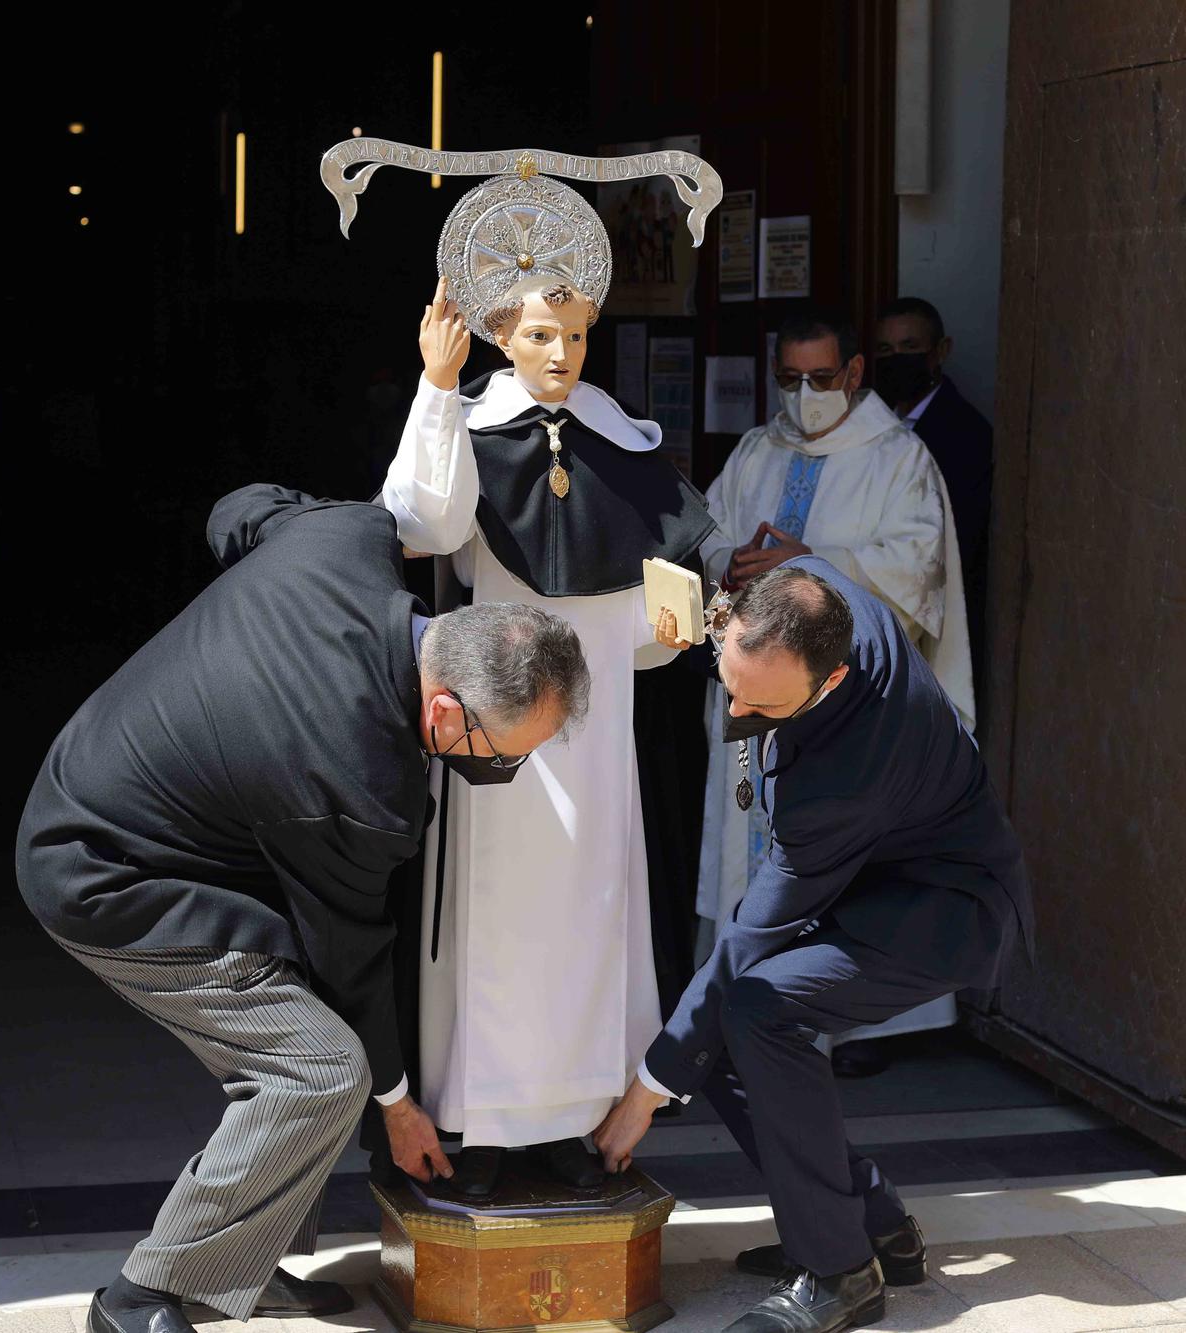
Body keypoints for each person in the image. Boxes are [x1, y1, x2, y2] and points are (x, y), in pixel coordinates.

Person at [16, 484, 590, 1333]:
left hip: (115, 786)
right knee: (319, 1068)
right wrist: (397, 1105)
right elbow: (350, 961)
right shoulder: (358, 782)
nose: (500, 775)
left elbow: (236, 510)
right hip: (105, 874)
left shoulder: (344, 538)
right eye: (498, 758)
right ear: (443, 708)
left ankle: (233, 1263)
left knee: (314, 1047)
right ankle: (141, 1296)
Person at [366, 146, 719, 1198]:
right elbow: (422, 526)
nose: (555, 352)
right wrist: (435, 391)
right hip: (495, 734)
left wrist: (675, 624)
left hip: (598, 734)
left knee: (592, 923)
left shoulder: (623, 437)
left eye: (569, 335)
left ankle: (576, 1125)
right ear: (497, 335)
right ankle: (485, 1129)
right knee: (495, 931)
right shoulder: (466, 423)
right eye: (532, 335)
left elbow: (657, 614)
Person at [595, 561, 1032, 1333]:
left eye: (760, 706)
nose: (736, 711)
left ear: (830, 682)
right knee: (722, 1017)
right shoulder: (808, 592)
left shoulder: (848, 774)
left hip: (944, 910)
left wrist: (646, 1090)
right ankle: (867, 1221)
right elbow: (743, 620)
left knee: (755, 1006)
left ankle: (839, 1272)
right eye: (731, 681)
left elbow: (744, 944)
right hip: (874, 879)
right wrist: (698, 616)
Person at [698, 307, 973, 1075]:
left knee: (848, 849)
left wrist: (813, 560)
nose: (805, 394)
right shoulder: (757, 449)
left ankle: (853, 1021)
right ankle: (742, 998)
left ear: (854, 374)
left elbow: (916, 570)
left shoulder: (898, 457)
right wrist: (734, 563)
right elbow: (708, 531)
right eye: (790, 379)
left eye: (822, 378)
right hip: (758, 694)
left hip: (848, 701)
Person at [872, 297, 993, 659]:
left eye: (910, 347)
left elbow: (957, 540)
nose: (897, 359)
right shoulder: (872, 423)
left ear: (941, 351)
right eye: (885, 349)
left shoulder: (967, 434)